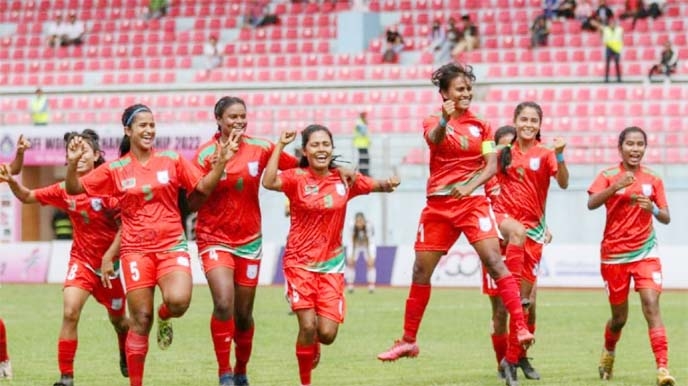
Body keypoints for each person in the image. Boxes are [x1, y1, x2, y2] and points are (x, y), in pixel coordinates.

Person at [63, 104, 238, 386]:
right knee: (141, 320)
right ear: (128, 130)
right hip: (135, 251)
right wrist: (72, 164)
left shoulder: (172, 160)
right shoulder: (115, 169)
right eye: (142, 125)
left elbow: (203, 187)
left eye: (152, 125)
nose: (149, 130)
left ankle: (165, 316)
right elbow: (73, 189)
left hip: (171, 246)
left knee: (179, 301)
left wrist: (221, 164)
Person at [376, 63, 533, 363]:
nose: (466, 94)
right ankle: (408, 341)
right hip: (438, 205)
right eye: (460, 89)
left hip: (472, 202)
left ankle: (522, 329)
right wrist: (446, 119)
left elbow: (490, 165)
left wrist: (469, 185)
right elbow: (434, 139)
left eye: (469, 89)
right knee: (421, 271)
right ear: (444, 93)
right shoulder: (433, 120)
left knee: (494, 261)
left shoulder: (482, 125)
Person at [262, 124, 400, 386]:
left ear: (332, 148)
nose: (321, 149)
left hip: (331, 267)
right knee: (307, 325)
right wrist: (279, 144)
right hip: (299, 264)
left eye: (326, 144)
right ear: (305, 150)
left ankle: (316, 342)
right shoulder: (296, 178)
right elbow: (268, 181)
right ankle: (306, 382)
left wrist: (390, 183)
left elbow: (377, 185)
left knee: (326, 333)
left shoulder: (344, 180)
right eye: (315, 145)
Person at [0, 129, 130, 386]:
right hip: (80, 263)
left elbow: (126, 226)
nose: (80, 155)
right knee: (70, 312)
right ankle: (66, 377)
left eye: (85, 151)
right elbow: (27, 196)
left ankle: (123, 350)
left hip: (109, 269)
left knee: (120, 322)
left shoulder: (111, 188)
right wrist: (13, 183)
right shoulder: (64, 190)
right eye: (74, 150)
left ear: (96, 155)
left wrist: (109, 257)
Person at [191, 96, 300, 386]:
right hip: (213, 238)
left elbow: (299, 170)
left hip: (249, 240)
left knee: (243, 315)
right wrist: (219, 166)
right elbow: (193, 196)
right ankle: (223, 371)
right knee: (224, 302)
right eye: (232, 117)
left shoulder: (262, 147)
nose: (238, 121)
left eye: (242, 116)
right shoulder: (205, 155)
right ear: (218, 120)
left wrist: (335, 172)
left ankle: (241, 370)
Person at [587, 126, 676, 386]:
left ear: (644, 148)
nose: (635, 149)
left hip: (645, 251)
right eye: (630, 144)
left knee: (651, 305)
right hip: (614, 255)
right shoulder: (608, 175)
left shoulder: (653, 179)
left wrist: (655, 210)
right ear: (620, 147)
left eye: (640, 144)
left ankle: (662, 369)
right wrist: (616, 187)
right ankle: (609, 352)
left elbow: (667, 217)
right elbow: (591, 203)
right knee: (619, 319)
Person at [492, 102, 569, 386]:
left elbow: (562, 183)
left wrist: (560, 157)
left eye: (533, 120)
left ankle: (513, 360)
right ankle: (505, 361)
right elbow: (487, 179)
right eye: (523, 119)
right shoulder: (503, 153)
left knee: (525, 304)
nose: (528, 124)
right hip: (504, 227)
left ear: (539, 124)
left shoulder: (546, 153)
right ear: (514, 121)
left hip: (533, 234)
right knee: (504, 307)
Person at [344, 212, 376, 293]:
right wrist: (352, 255)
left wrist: (369, 256)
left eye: (361, 221)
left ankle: (371, 286)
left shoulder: (369, 226)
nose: (359, 224)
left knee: (370, 263)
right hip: (355, 244)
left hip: (367, 244)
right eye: (357, 222)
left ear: (364, 221)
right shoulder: (351, 225)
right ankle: (350, 285)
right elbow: (352, 241)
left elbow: (369, 241)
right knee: (350, 262)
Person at [602, 17, 623, 83]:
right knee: (607, 64)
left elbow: (621, 38)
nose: (612, 24)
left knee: (617, 63)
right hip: (609, 47)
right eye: (611, 23)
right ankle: (606, 78)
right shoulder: (606, 30)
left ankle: (619, 78)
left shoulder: (619, 29)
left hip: (616, 47)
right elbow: (604, 38)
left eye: (613, 23)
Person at [353, 111, 370, 176]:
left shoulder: (361, 122)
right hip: (361, 144)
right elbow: (363, 132)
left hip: (364, 144)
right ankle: (363, 173)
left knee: (364, 158)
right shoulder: (359, 122)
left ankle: (364, 172)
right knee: (363, 158)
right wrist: (366, 124)